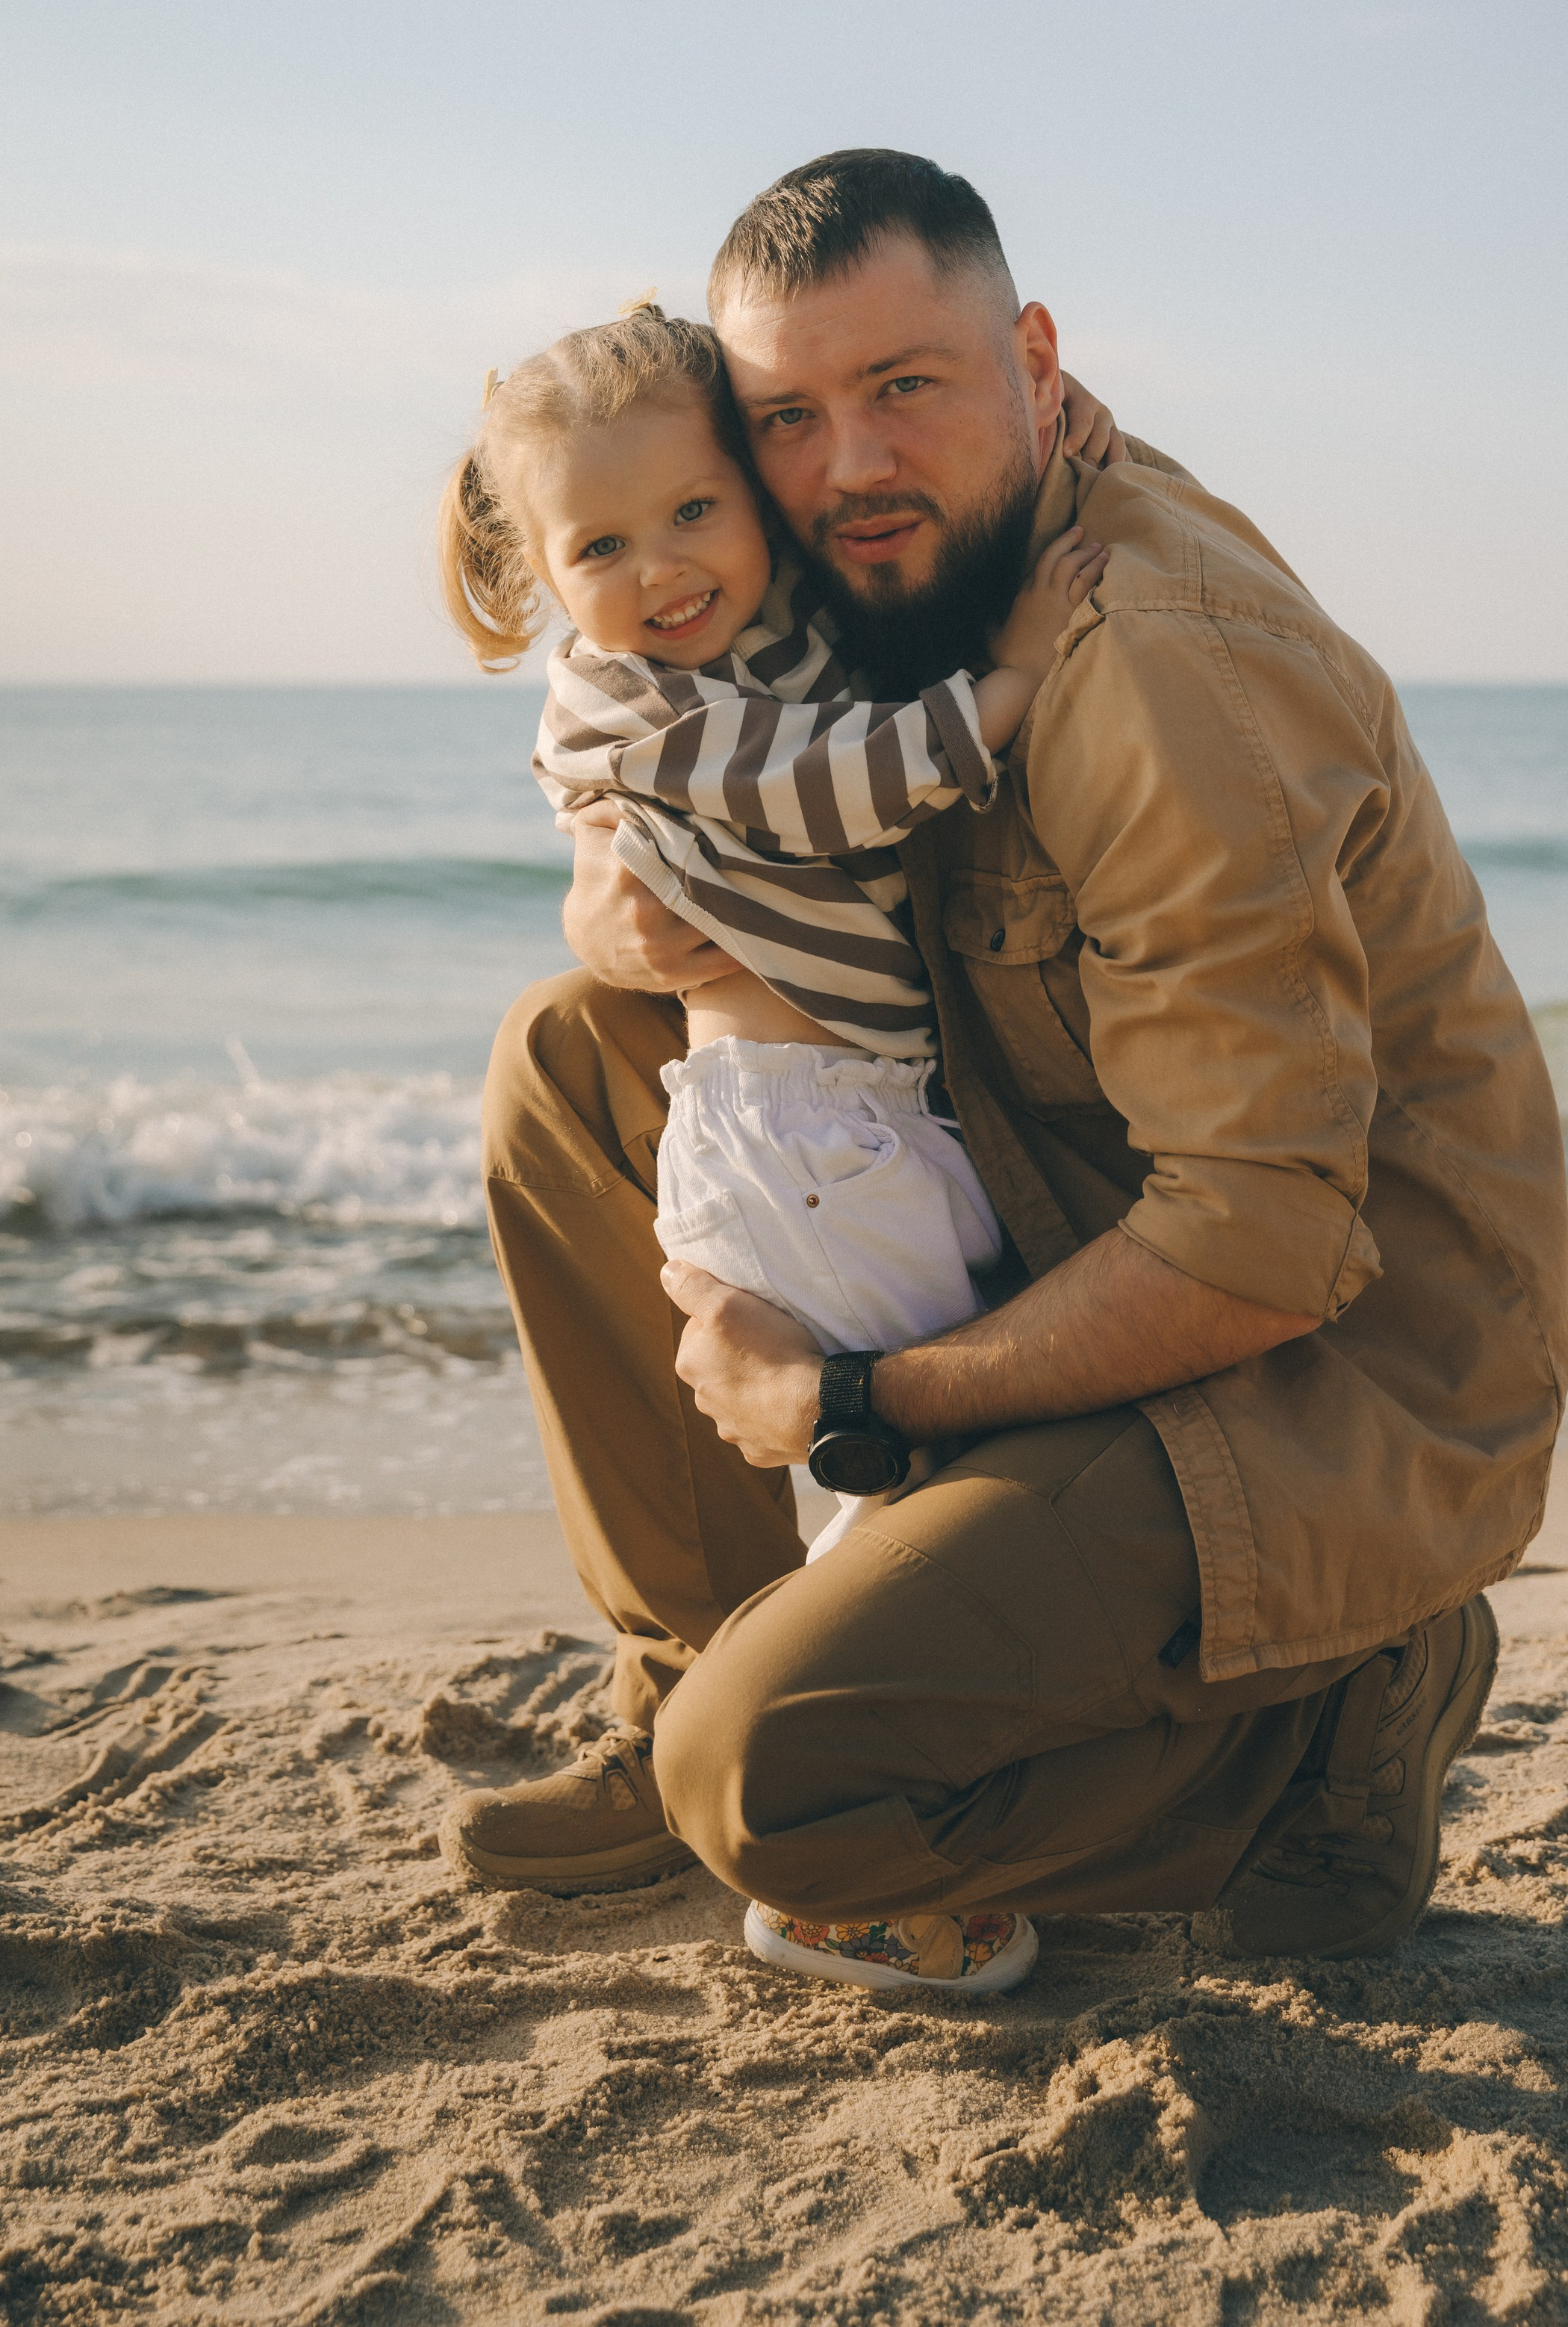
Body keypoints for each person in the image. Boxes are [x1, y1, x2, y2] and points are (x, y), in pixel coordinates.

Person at [446, 149, 1568, 2001]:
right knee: (568, 1054)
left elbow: (1263, 1245)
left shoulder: (1152, 674)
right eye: (788, 415)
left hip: (1316, 1380)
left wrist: (850, 1398)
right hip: (1069, 1232)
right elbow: (675, 735)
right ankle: (689, 1658)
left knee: (768, 1787)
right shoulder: (890, 568)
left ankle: (1334, 1725)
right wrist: (608, 884)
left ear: (1032, 363)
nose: (846, 466)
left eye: (907, 385)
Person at [436, 299, 1107, 1575]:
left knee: (938, 1480)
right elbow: (833, 780)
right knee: (930, 1483)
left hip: (875, 1123)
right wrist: (1012, 682)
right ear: (545, 576)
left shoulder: (771, 610)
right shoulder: (629, 693)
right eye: (602, 547)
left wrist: (1066, 428)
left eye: (695, 512)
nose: (663, 571)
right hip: (794, 1134)